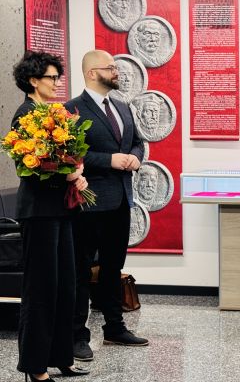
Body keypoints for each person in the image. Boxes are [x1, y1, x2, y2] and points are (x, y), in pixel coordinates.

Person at [64, 50, 148, 362]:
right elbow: (69, 155)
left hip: (121, 200)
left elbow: (137, 142)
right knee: (82, 270)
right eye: (110, 68)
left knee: (113, 267)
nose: (116, 72)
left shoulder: (122, 107)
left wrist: (135, 157)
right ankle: (77, 335)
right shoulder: (71, 110)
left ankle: (115, 327)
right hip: (88, 202)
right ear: (91, 73)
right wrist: (109, 160)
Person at [11, 51, 90, 381]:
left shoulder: (51, 112)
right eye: (52, 77)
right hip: (38, 213)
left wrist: (77, 173)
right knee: (41, 290)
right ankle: (35, 367)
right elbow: (28, 169)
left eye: (58, 77)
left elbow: (64, 159)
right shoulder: (25, 115)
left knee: (65, 287)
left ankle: (61, 357)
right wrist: (66, 174)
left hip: (60, 210)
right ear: (33, 80)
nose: (57, 83)